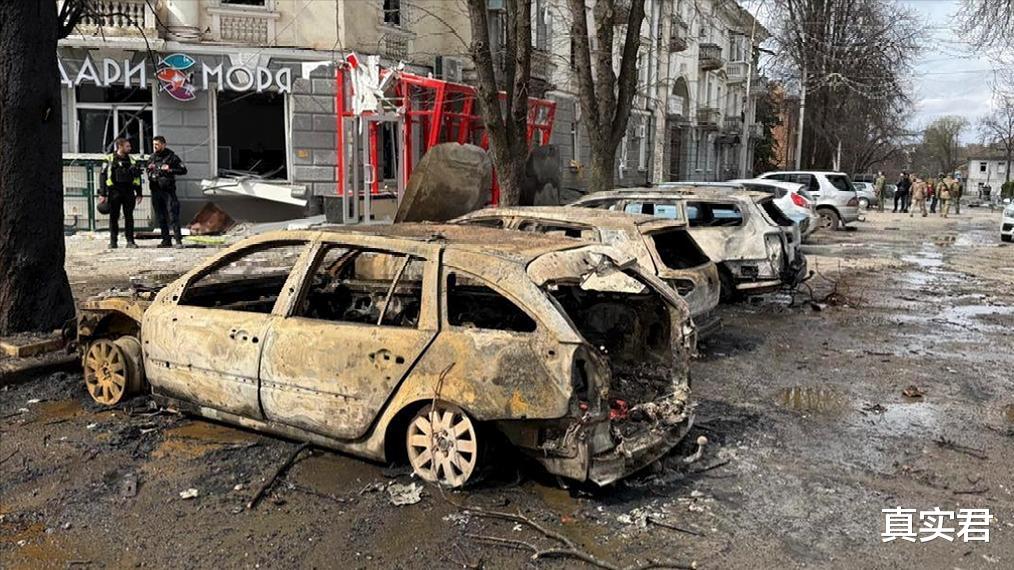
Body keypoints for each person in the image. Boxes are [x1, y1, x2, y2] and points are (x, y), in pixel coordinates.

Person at [99, 137, 143, 249]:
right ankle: (113, 241)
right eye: (127, 146)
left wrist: (139, 193)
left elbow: (137, 177)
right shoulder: (109, 159)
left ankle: (130, 241)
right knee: (114, 217)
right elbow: (103, 176)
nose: (130, 148)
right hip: (114, 191)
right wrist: (103, 194)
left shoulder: (132, 160)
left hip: (128, 191)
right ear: (120, 146)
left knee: (129, 217)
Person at [147, 135, 188, 248]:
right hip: (156, 190)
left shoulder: (172, 157)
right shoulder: (152, 157)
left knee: (173, 215)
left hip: (168, 191)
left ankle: (178, 240)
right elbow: (148, 170)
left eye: (157, 144)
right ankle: (166, 240)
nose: (155, 146)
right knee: (160, 216)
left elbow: (183, 170)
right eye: (154, 144)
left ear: (163, 145)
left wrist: (169, 169)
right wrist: (150, 170)